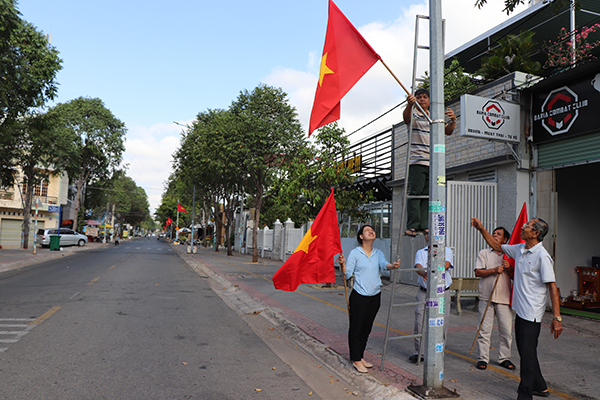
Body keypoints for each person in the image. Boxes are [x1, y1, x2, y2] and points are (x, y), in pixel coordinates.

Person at [471, 217, 563, 400]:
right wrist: (481, 229)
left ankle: (525, 395)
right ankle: (541, 387)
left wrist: (557, 318)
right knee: (526, 352)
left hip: (532, 314)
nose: (523, 226)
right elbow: (498, 247)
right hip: (520, 310)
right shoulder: (520, 249)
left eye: (527, 226)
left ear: (536, 233)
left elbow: (552, 287)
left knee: (527, 356)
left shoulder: (542, 256)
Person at [338, 225, 400, 373]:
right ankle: (356, 359)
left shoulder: (378, 253)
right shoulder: (355, 253)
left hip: (375, 296)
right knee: (356, 328)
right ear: (361, 236)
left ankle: (360, 355)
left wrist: (393, 266)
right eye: (367, 230)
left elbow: (385, 265)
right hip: (359, 296)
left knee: (367, 328)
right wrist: (342, 264)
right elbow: (347, 275)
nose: (371, 231)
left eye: (372, 230)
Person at [403, 89, 456, 236]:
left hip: (433, 162)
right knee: (415, 193)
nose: (421, 100)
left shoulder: (435, 116)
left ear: (430, 100)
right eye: (419, 97)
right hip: (417, 159)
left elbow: (448, 131)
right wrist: (409, 105)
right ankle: (412, 225)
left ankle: (425, 225)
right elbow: (406, 119)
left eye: (425, 97)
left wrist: (453, 120)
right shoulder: (413, 113)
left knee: (428, 194)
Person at [474, 227, 515, 371]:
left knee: (506, 331)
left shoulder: (510, 255)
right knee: (484, 329)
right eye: (494, 234)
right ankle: (483, 358)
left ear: (505, 240)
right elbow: (477, 272)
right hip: (487, 295)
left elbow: (516, 277)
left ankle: (504, 358)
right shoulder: (484, 253)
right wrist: (494, 270)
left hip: (504, 297)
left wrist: (509, 268)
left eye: (499, 234)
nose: (494, 236)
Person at [410, 234, 454, 363]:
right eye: (426, 233)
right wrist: (424, 272)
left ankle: (439, 351)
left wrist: (433, 269)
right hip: (425, 293)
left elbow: (446, 264)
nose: (429, 235)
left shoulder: (447, 250)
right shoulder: (421, 252)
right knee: (420, 322)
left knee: (442, 322)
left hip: (441, 293)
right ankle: (419, 352)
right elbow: (418, 266)